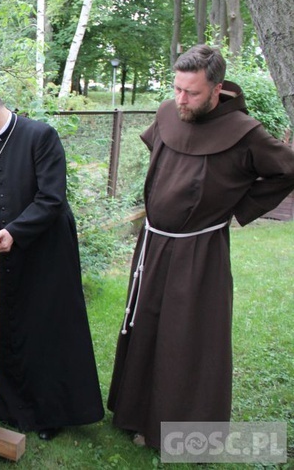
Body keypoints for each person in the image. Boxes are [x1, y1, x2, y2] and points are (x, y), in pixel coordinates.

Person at [107, 45, 294, 449]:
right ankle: (134, 413)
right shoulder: (167, 112)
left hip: (199, 250)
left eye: (191, 93)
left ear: (217, 90)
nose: (181, 100)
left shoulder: (246, 133)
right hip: (154, 243)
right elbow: (165, 155)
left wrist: (237, 204)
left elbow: (287, 170)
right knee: (146, 326)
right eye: (177, 88)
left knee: (186, 338)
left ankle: (184, 435)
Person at [0, 81, 104, 441]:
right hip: (3, 251)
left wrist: (16, 232)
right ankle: (9, 407)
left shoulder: (40, 136)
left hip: (45, 249)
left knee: (44, 327)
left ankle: (50, 413)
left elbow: (52, 198)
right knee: (8, 323)